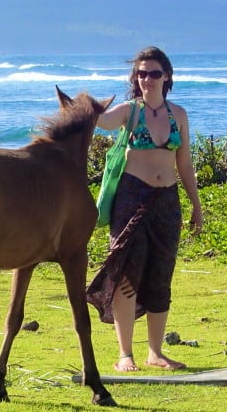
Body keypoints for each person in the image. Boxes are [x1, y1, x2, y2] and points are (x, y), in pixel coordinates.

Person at [86, 46, 203, 372]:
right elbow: (102, 122)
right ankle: (125, 353)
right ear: (135, 78)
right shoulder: (129, 111)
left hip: (167, 201)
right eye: (141, 74)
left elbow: (185, 163)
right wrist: (86, 104)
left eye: (153, 73)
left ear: (166, 76)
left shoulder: (177, 114)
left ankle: (156, 352)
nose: (146, 79)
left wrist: (196, 205)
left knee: (160, 276)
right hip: (131, 199)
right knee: (127, 273)